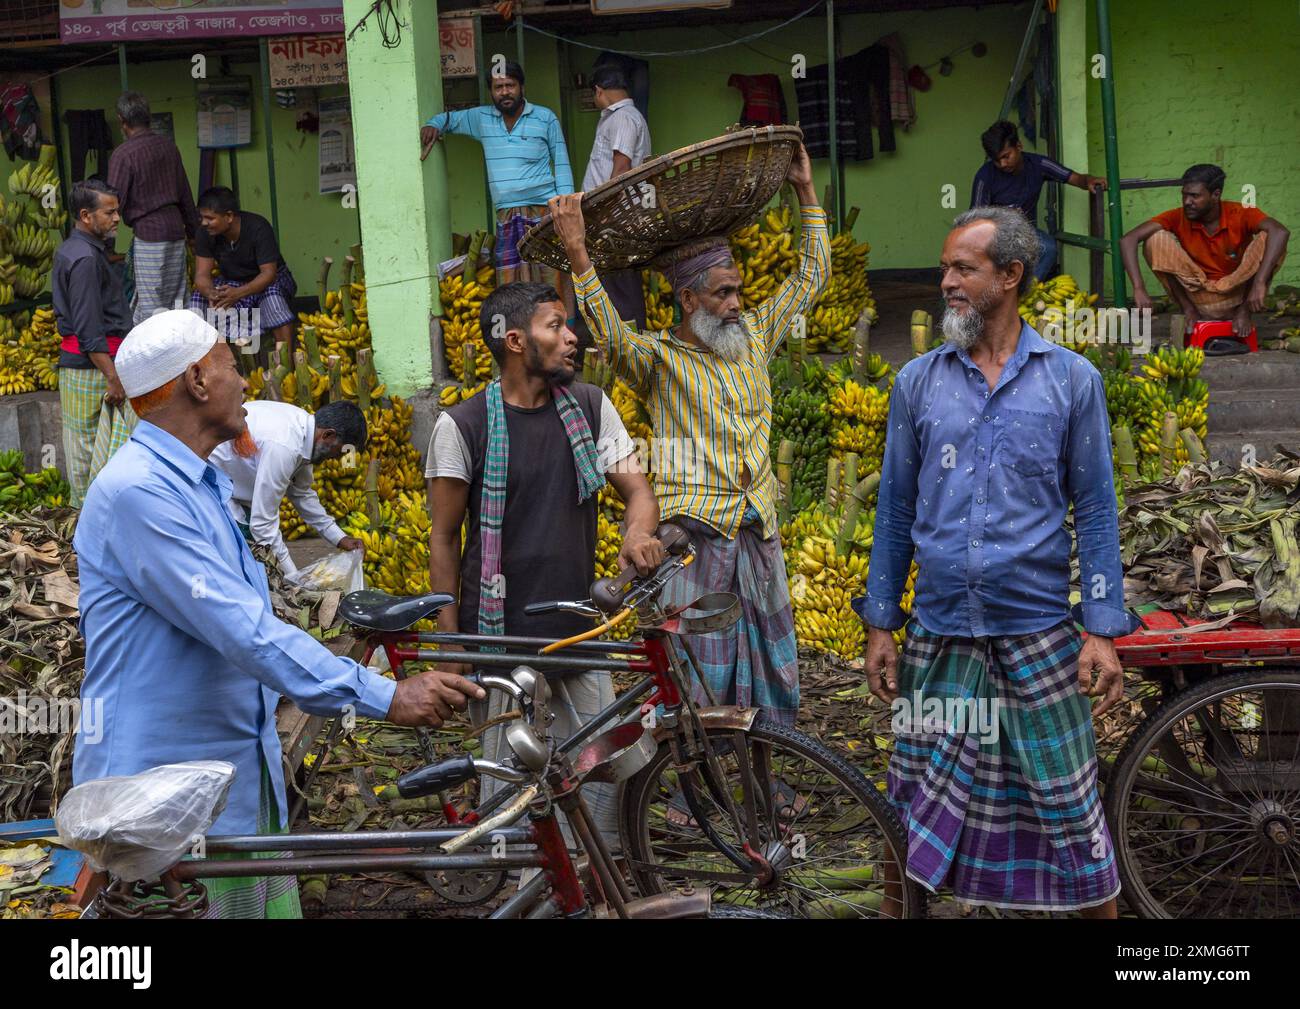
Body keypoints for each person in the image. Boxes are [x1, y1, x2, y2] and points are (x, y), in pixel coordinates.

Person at [72, 309, 483, 918]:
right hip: (164, 795)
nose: (246, 382)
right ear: (196, 382)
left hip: (232, 772)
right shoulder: (139, 492)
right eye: (233, 367)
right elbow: (243, 629)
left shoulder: (199, 481)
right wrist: (384, 696)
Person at [856, 206, 1139, 918]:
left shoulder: (1071, 381)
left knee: (1073, 816)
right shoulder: (919, 381)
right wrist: (881, 621)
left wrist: (1102, 629)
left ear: (1010, 275)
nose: (945, 281)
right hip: (941, 634)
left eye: (964, 268)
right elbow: (893, 510)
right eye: (945, 267)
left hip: (1039, 635)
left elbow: (1098, 509)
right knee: (908, 812)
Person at [551, 142, 828, 736]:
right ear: (687, 299)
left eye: (738, 290)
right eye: (722, 293)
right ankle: (699, 792)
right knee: (701, 667)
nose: (736, 303)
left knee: (774, 660)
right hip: (695, 538)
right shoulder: (657, 359)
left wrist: (805, 191)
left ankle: (769, 772)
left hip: (758, 527)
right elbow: (608, 331)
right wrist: (577, 252)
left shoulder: (755, 334)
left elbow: (810, 278)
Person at [425, 282, 663, 844]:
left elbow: (639, 493)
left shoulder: (590, 407)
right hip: (502, 644)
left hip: (580, 632)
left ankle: (599, 887)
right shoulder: (460, 427)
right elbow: (443, 539)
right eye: (554, 326)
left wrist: (637, 535)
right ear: (514, 340)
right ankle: (526, 892)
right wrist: (452, 644)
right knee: (513, 794)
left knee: (604, 776)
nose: (570, 337)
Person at [419, 62, 574, 291]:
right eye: (498, 87)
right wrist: (433, 124)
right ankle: (521, 326)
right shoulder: (482, 118)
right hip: (506, 215)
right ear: (491, 91)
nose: (504, 92)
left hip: (544, 210)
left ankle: (559, 324)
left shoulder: (545, 117)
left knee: (552, 277)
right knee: (512, 282)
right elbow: (448, 120)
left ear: (522, 87)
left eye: (510, 85)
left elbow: (561, 161)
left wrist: (564, 207)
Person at [1120, 163, 1289, 342]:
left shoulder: (1240, 212)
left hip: (1237, 297)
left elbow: (1280, 232)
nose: (1187, 202)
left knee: (1270, 238)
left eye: (1195, 196)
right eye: (1184, 195)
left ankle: (1243, 313)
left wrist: (1260, 283)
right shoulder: (1178, 216)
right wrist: (1138, 288)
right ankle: (1188, 310)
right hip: (1198, 297)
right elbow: (1128, 239)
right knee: (1154, 240)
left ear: (1216, 195)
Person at [209, 399, 367, 580]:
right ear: (328, 435)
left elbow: (302, 494)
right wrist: (293, 577)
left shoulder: (305, 433)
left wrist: (339, 538)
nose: (336, 458)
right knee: (243, 563)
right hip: (214, 488)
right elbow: (263, 525)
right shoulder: (285, 446)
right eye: (340, 452)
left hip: (234, 485)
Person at [51, 179, 137, 507]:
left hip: (97, 365)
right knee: (89, 458)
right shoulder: (85, 258)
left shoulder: (79, 250)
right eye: (109, 212)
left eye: (117, 211)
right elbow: (88, 329)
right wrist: (112, 377)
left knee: (99, 454)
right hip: (93, 370)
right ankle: (88, 532)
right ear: (86, 215)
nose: (117, 218)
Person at [969, 120, 1106, 280]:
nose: (1002, 164)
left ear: (1019, 146)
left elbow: (1074, 178)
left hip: (1026, 232)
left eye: (1006, 156)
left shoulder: (1039, 164)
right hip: (994, 235)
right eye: (996, 160)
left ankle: (1026, 292)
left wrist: (1089, 181)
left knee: (1048, 248)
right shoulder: (985, 176)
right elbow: (974, 220)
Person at [107, 91, 197, 324]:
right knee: (178, 303)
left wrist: (104, 247)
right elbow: (185, 194)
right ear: (148, 117)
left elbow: (112, 203)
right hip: (176, 232)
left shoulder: (123, 155)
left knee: (151, 307)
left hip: (149, 236)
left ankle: (154, 358)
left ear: (121, 120)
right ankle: (183, 355)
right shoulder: (168, 147)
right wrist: (194, 234)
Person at [579, 63, 652, 332]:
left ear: (598, 91)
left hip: (616, 213)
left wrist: (605, 210)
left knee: (620, 279)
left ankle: (630, 341)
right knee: (613, 279)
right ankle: (621, 339)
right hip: (612, 211)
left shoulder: (623, 118)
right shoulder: (620, 117)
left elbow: (621, 166)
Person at [190, 186, 297, 353]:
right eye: (202, 217)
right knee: (198, 297)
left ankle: (286, 366)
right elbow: (202, 275)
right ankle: (205, 365)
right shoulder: (205, 233)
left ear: (229, 216)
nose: (204, 223)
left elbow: (269, 273)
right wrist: (212, 293)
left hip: (268, 279)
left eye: (210, 218)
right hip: (233, 281)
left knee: (272, 299)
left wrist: (238, 293)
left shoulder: (258, 227)